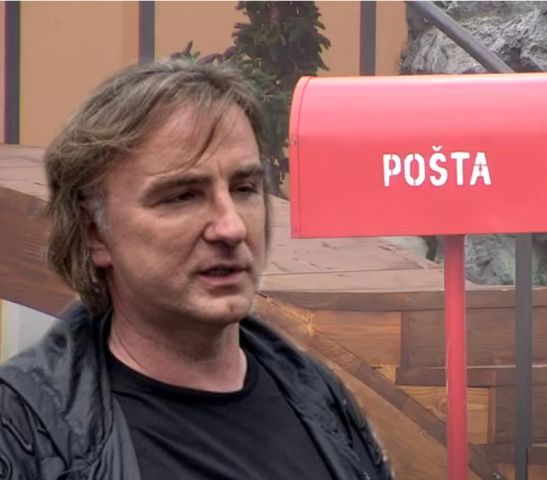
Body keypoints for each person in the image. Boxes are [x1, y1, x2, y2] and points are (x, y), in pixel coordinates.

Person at [0, 60, 392, 479]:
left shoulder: (317, 395)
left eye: (244, 189)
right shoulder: (27, 435)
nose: (231, 228)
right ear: (94, 231)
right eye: (182, 196)